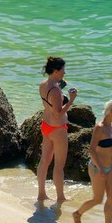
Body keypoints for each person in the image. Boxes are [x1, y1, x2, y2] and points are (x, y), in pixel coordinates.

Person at [73, 100, 112, 223]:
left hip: (110, 167)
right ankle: (77, 214)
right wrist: (101, 169)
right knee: (98, 199)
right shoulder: (99, 127)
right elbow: (91, 150)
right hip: (97, 167)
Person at [37, 56, 77, 203]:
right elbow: (58, 113)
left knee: (44, 161)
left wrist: (60, 86)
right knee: (59, 165)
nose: (64, 73)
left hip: (46, 126)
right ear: (55, 71)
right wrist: (71, 100)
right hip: (57, 129)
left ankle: (41, 194)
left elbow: (51, 99)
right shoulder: (55, 91)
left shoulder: (44, 84)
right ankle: (60, 197)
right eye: (62, 70)